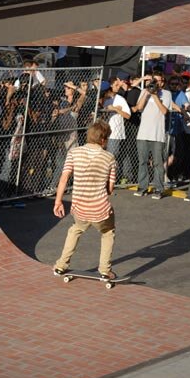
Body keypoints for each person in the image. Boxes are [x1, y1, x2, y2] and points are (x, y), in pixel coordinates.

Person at [53, 119, 117, 280]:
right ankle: (104, 269)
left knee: (75, 229)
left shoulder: (74, 153)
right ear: (103, 140)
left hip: (79, 208)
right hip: (100, 209)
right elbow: (110, 189)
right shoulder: (109, 158)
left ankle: (61, 265)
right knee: (108, 232)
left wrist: (58, 201)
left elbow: (64, 178)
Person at [135, 72, 174, 199]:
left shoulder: (166, 94)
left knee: (158, 162)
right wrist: (146, 93)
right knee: (143, 162)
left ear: (162, 82)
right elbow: (139, 108)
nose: (155, 83)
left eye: (157, 81)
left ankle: (158, 188)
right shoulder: (144, 91)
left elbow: (164, 111)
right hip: (143, 133)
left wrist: (155, 95)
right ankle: (143, 186)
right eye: (153, 81)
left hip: (157, 134)